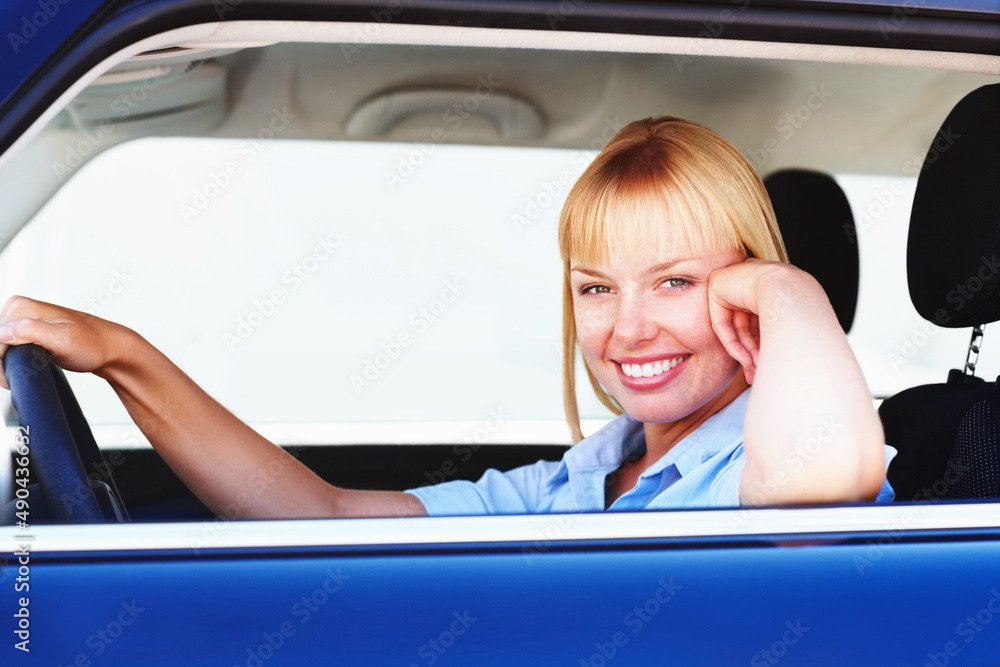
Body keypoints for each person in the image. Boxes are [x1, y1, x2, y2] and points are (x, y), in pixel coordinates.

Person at [0, 116, 893, 519]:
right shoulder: (581, 484)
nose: (629, 330)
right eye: (595, 288)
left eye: (674, 283)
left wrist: (790, 294)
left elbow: (818, 494)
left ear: (747, 282)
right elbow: (323, 515)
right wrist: (122, 355)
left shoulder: (763, 463)